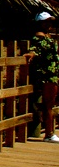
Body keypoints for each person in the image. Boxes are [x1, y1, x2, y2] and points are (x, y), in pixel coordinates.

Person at [26, 11, 59, 142]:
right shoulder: (39, 37)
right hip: (47, 75)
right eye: (47, 21)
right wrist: (31, 54)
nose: (49, 24)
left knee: (51, 103)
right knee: (48, 105)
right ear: (40, 23)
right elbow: (35, 49)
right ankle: (49, 133)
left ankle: (50, 132)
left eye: (50, 21)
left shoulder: (48, 36)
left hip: (53, 74)